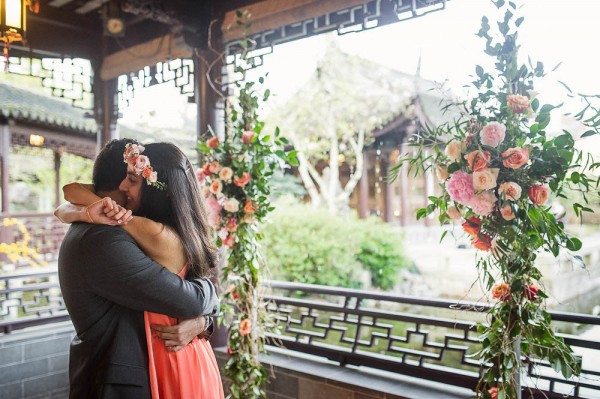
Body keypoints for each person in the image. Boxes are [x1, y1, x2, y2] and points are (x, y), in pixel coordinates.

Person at [58, 141, 225, 398]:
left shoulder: (145, 231)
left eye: (133, 180)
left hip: (174, 360)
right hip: (134, 373)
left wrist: (203, 321)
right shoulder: (102, 239)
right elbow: (190, 299)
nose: (127, 187)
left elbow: (189, 299)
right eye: (127, 178)